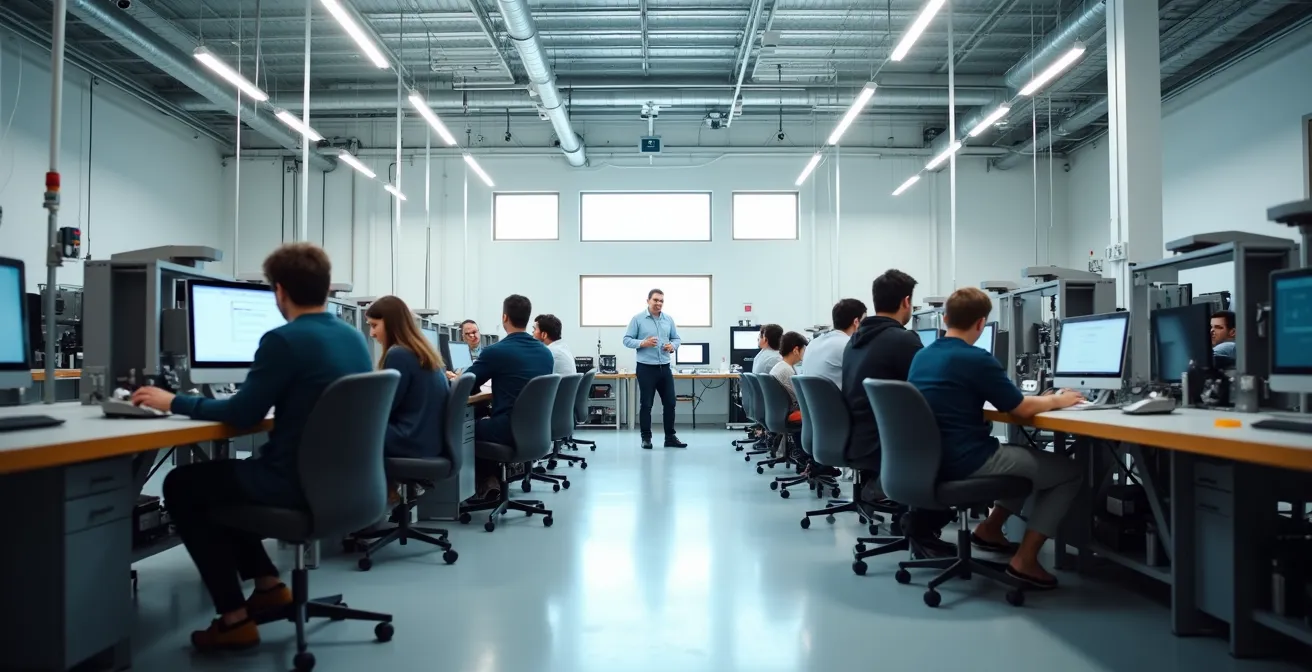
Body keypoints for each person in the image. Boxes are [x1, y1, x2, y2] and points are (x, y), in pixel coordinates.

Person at [130, 243, 373, 652]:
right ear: (325, 286)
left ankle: (234, 619)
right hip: (348, 485)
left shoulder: (284, 340)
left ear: (279, 291)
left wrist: (173, 402)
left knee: (182, 485)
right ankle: (267, 585)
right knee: (223, 482)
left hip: (295, 484)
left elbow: (242, 415)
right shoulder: (353, 338)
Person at [909, 286, 1084, 590]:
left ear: (945, 318)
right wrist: (1059, 399)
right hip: (967, 461)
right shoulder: (976, 358)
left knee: (1019, 455)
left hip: (931, 460)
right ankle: (1025, 560)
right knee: (1069, 472)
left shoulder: (921, 356)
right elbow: (1021, 408)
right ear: (981, 323)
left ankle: (990, 528)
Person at [841, 269, 953, 556]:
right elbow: (933, 391)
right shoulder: (902, 340)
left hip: (862, 437)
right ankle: (923, 524)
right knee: (960, 444)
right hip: (887, 443)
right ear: (906, 301)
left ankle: (909, 515)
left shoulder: (855, 341)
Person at [465, 295, 554, 498]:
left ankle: (484, 483)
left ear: (504, 317)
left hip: (507, 430)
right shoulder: (545, 353)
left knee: (463, 429)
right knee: (483, 417)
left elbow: (466, 385)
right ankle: (491, 481)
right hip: (536, 431)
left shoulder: (496, 351)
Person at [365, 295, 449, 461]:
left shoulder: (399, 354)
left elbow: (384, 409)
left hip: (409, 441)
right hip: (428, 442)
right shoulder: (423, 353)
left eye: (374, 325)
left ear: (392, 324)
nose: (372, 333)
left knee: (347, 431)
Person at [622, 289, 687, 450]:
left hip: (664, 368)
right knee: (646, 404)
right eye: (656, 300)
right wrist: (642, 343)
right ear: (648, 301)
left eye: (661, 301)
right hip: (645, 368)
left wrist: (672, 346)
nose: (659, 303)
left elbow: (676, 338)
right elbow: (626, 340)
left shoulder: (668, 319)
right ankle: (646, 438)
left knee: (670, 403)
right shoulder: (637, 319)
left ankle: (670, 437)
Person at [803, 299, 866, 389]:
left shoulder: (812, 344)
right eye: (864, 321)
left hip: (812, 398)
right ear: (856, 322)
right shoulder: (848, 345)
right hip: (836, 398)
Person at [770, 331, 808, 418]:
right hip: (790, 412)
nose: (804, 353)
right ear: (796, 350)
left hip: (779, 412)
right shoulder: (787, 370)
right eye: (803, 349)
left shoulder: (780, 366)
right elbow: (800, 398)